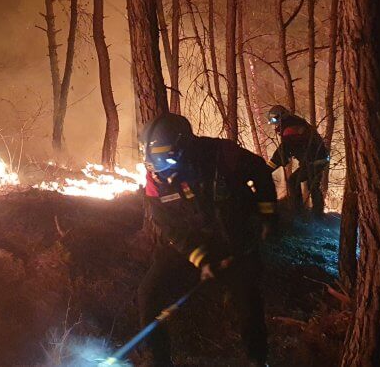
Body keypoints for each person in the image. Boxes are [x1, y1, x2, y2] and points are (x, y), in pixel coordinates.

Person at [138, 113, 277, 367]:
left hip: (234, 241)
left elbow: (261, 172)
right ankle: (158, 360)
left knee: (247, 299)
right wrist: (201, 259)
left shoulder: (221, 155)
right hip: (190, 244)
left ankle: (257, 359)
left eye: (167, 160)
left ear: (185, 148)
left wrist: (266, 215)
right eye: (153, 164)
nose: (160, 172)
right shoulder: (155, 181)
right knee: (149, 295)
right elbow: (171, 229)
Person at [266, 105, 329, 217]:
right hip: (317, 159)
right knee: (312, 185)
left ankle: (300, 212)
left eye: (275, 120)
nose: (275, 124)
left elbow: (284, 151)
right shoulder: (295, 123)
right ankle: (316, 213)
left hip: (313, 161)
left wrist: (269, 168)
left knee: (294, 181)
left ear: (281, 117)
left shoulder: (290, 129)